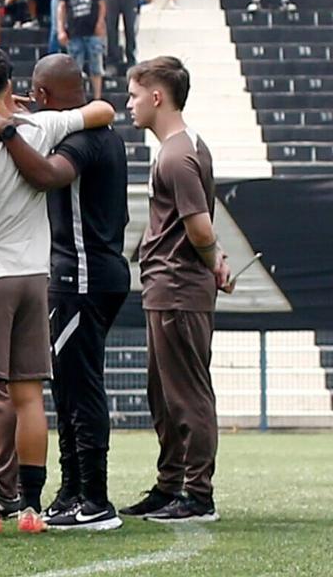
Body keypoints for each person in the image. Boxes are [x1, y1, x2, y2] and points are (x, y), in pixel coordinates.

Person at [0, 45, 115, 536]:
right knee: (29, 393)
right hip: (36, 278)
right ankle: (31, 508)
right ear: (11, 86)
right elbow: (103, 110)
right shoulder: (41, 127)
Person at [0, 54, 131, 530]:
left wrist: (5, 132)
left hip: (82, 277)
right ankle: (72, 490)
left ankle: (96, 498)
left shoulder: (82, 141)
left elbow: (46, 175)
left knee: (81, 388)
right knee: (66, 386)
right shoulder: (93, 131)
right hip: (87, 275)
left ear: (43, 95)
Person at [125, 56, 226, 524]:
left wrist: (213, 262)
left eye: (134, 94)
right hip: (167, 288)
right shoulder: (182, 148)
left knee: (187, 394)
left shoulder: (176, 155)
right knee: (164, 395)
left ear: (157, 96)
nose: (130, 104)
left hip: (179, 290)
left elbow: (200, 229)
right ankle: (170, 486)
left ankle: (197, 494)